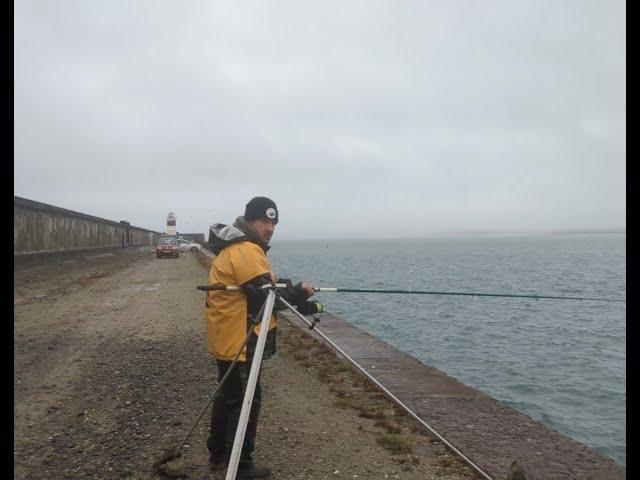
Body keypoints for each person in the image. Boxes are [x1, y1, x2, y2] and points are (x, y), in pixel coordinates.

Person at [205, 196, 323, 478]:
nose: (270, 228)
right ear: (249, 221)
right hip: (240, 341)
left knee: (229, 397)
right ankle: (241, 465)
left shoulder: (238, 248)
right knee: (246, 401)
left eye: (273, 222)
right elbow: (268, 295)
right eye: (264, 221)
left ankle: (219, 453)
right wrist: (303, 292)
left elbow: (261, 290)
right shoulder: (246, 249)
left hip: (228, 339)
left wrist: (299, 300)